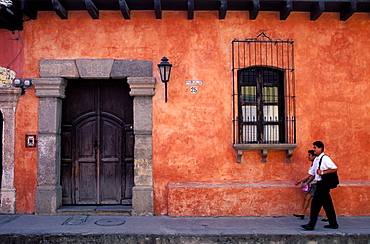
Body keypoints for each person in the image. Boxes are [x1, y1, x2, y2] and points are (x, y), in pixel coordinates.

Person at [301, 141, 339, 230]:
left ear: (320, 148)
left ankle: (311, 224)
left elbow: (334, 168)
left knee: (315, 204)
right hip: (320, 184)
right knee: (327, 204)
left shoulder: (325, 158)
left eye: (315, 147)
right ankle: (333, 224)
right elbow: (311, 173)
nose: (314, 149)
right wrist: (304, 182)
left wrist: (322, 172)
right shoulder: (316, 160)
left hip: (324, 184)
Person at [293, 150, 317, 219]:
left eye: (309, 155)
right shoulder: (312, 164)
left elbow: (311, 175)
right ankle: (302, 212)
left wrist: (301, 181)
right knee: (307, 198)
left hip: (317, 184)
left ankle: (328, 216)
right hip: (313, 184)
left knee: (322, 200)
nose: (308, 156)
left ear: (314, 156)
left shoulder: (316, 164)